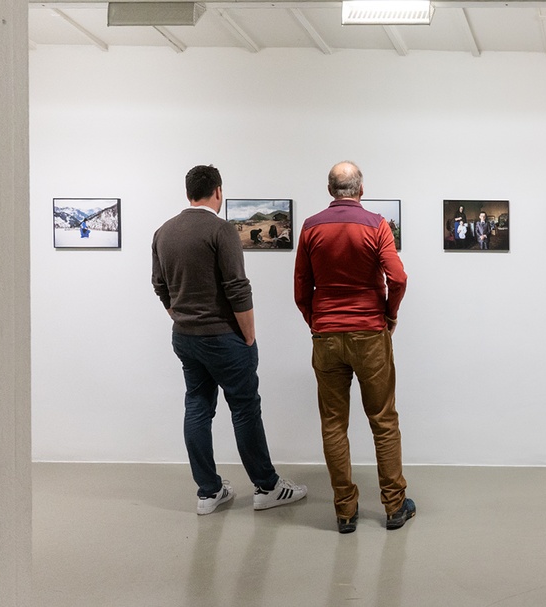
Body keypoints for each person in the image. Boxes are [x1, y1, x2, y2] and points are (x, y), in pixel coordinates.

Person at [152, 164, 307, 515]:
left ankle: (208, 493)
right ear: (218, 191)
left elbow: (159, 286)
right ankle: (267, 487)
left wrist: (179, 316)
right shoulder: (221, 230)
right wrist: (249, 336)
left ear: (188, 192)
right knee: (245, 409)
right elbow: (238, 287)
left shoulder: (164, 232)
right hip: (224, 337)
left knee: (197, 407)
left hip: (185, 337)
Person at [294, 161, 415, 533]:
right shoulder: (377, 225)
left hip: (327, 334)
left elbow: (301, 287)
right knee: (383, 420)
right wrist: (389, 315)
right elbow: (397, 277)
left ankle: (345, 510)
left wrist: (317, 321)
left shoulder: (311, 227)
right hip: (369, 332)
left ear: (331, 190)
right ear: (360, 189)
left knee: (333, 424)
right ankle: (394, 506)